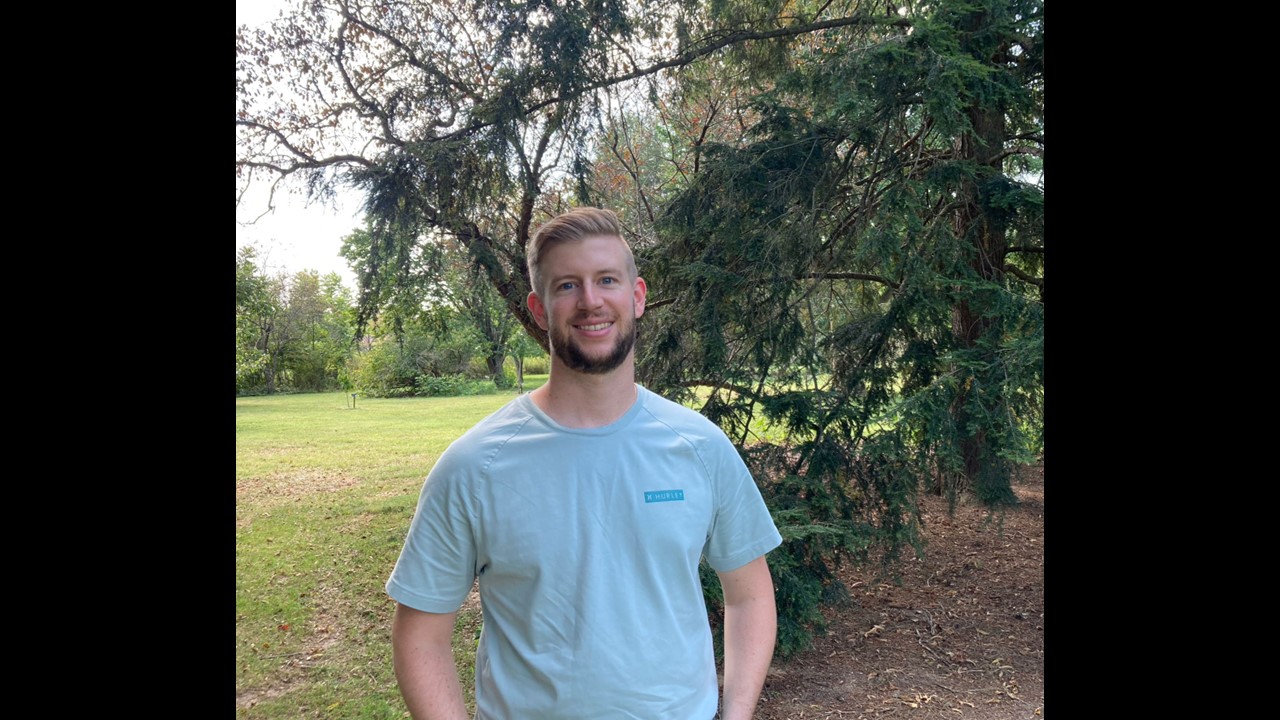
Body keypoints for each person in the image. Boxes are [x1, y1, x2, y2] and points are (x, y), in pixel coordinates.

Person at [386, 207, 782, 719]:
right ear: (537, 307)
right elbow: (421, 633)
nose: (591, 301)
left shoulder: (700, 448)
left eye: (607, 280)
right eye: (567, 285)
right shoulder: (474, 466)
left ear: (636, 296)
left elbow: (749, 597)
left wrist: (737, 714)